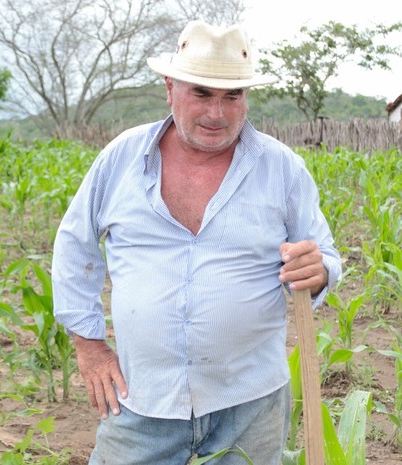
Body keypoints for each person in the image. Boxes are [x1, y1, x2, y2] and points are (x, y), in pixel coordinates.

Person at [51, 20, 342, 465]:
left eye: (233, 96)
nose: (216, 114)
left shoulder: (281, 168)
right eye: (202, 93)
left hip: (251, 402)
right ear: (170, 88)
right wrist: (89, 346)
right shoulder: (122, 159)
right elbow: (75, 246)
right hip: (141, 398)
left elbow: (323, 257)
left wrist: (318, 271)